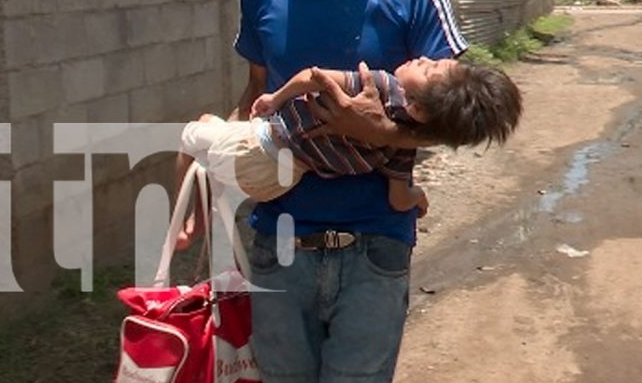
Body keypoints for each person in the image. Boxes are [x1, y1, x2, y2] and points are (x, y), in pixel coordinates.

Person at [229, 0, 469, 383]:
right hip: (278, 242)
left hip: (375, 245)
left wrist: (379, 135)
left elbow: (457, 116)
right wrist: (218, 173)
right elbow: (254, 95)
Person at [174, 56, 522, 249]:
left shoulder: (378, 86)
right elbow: (401, 198)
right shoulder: (402, 148)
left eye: (428, 69)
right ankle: (202, 217)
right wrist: (419, 198)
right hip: (276, 183)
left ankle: (190, 221)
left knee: (198, 130)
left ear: (417, 108)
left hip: (258, 147)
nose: (423, 58)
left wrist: (275, 97)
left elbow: (314, 76)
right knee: (213, 166)